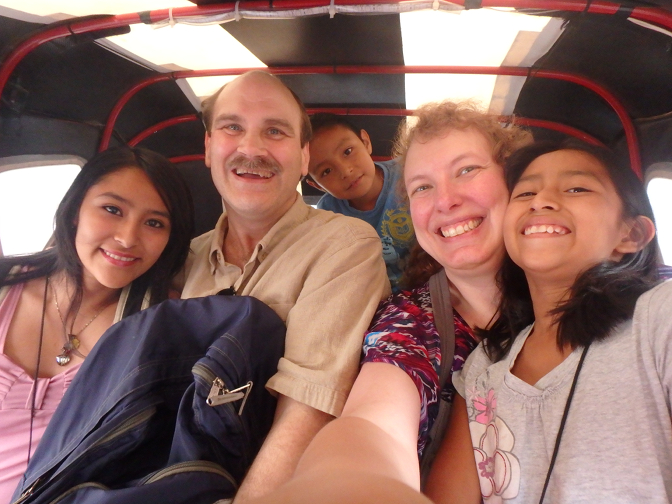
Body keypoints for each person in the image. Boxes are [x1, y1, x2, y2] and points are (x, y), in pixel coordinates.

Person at [241, 100, 533, 504]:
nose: (445, 200)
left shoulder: (590, 292)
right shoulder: (410, 323)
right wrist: (342, 481)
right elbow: (374, 425)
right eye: (423, 187)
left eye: (466, 170)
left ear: (514, 179)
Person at [180, 71, 390, 502]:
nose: (251, 149)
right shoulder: (182, 261)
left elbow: (307, 411)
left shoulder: (345, 243)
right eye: (232, 127)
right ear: (208, 147)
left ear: (303, 155)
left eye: (274, 131)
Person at [432, 140, 671, 503]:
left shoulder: (657, 320)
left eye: (577, 188)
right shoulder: (486, 364)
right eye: (525, 192)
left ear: (631, 234)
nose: (540, 200)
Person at [0, 146, 194, 502]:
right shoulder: (5, 287)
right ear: (75, 210)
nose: (127, 237)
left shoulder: (163, 327)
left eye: (154, 223)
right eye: (112, 209)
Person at [306, 113, 415, 291]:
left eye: (348, 152)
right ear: (317, 185)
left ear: (365, 142)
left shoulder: (408, 173)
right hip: (377, 296)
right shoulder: (328, 212)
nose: (345, 171)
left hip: (431, 281)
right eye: (326, 171)